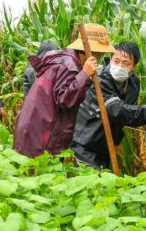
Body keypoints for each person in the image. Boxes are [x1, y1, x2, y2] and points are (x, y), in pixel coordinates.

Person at [71, 42, 146, 169]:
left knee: (104, 182)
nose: (119, 66)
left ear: (134, 67)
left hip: (105, 144)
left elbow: (127, 116)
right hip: (85, 141)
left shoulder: (133, 83)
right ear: (110, 59)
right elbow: (115, 110)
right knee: (92, 182)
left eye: (126, 63)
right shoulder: (99, 79)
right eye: (116, 61)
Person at [13, 23, 115, 158]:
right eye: (100, 52)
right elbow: (65, 99)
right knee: (39, 174)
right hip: (42, 132)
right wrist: (84, 74)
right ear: (93, 51)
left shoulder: (64, 61)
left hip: (34, 128)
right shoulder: (69, 66)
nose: (101, 55)